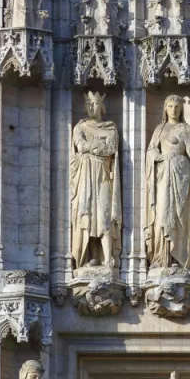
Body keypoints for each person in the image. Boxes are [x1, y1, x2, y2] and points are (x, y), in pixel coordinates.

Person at [145, 95, 190, 272]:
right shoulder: (160, 129)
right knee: (161, 214)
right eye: (170, 106)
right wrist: (157, 156)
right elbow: (151, 149)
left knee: (179, 216)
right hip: (162, 176)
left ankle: (178, 256)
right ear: (165, 109)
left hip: (180, 176)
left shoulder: (185, 129)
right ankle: (161, 257)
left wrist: (180, 154)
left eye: (177, 106)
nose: (173, 109)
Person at [70, 91, 122, 272]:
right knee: (88, 215)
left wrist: (92, 148)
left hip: (103, 174)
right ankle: (92, 256)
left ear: (102, 105)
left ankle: (108, 258)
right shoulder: (80, 127)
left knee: (105, 214)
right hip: (85, 175)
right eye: (88, 104)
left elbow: (111, 148)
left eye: (95, 104)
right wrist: (99, 146)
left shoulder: (110, 127)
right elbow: (81, 146)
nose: (92, 107)